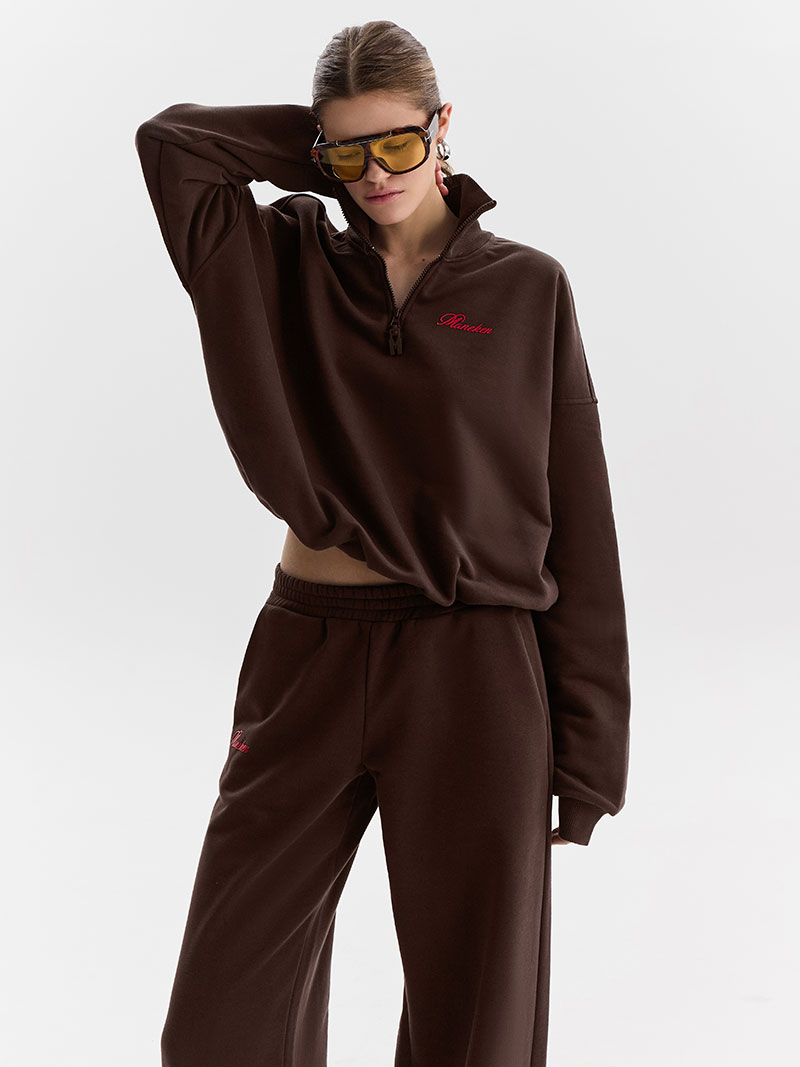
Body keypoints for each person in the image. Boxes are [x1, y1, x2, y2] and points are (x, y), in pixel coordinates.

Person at [134, 18, 630, 1067]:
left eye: (399, 143)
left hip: (473, 664)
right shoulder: (283, 257)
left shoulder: (527, 287)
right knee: (219, 1021)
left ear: (445, 125)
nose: (375, 176)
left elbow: (579, 517)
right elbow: (173, 145)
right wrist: (327, 150)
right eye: (348, 153)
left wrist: (589, 750)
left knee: (474, 1027)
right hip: (307, 650)